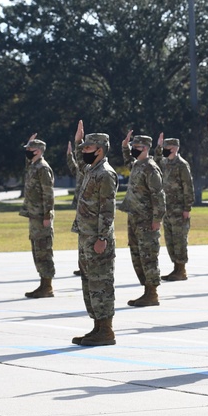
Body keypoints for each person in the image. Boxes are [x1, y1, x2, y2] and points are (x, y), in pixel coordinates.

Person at [71, 122, 119, 346]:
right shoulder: (92, 170)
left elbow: (107, 209)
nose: (84, 152)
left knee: (101, 283)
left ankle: (106, 330)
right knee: (90, 282)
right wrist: (78, 141)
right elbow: (79, 164)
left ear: (100, 149)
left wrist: (102, 238)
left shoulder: (106, 174)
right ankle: (97, 327)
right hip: (86, 235)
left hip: (98, 238)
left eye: (88, 148)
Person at [120, 132, 166, 307]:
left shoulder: (150, 168)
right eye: (132, 147)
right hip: (134, 216)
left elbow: (158, 195)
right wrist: (124, 146)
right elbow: (127, 161)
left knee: (148, 255)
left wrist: (157, 219)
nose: (133, 150)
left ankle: (152, 293)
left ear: (145, 148)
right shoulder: (137, 165)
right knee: (136, 254)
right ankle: (146, 289)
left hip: (147, 219)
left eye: (135, 147)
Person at [154, 134, 194, 282]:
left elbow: (188, 187)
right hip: (167, 208)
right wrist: (158, 147)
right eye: (164, 148)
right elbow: (156, 161)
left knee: (179, 240)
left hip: (179, 209)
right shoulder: (165, 163)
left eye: (167, 148)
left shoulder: (182, 165)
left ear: (175, 148)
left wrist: (187, 208)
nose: (165, 151)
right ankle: (176, 268)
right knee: (170, 239)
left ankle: (181, 270)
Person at [20, 135, 56, 299]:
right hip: (34, 216)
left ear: (39, 151)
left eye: (30, 149)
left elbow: (48, 194)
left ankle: (47, 286)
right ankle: (43, 283)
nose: (27, 152)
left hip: (42, 217)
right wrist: (29, 141)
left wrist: (47, 215)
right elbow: (27, 162)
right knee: (37, 249)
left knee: (43, 250)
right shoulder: (33, 165)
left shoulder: (43, 168)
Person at [67, 140, 85, 277]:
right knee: (81, 237)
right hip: (79, 204)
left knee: (86, 237)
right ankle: (82, 266)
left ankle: (85, 266)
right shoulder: (81, 168)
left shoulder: (89, 168)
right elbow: (74, 168)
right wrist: (69, 155)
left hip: (86, 207)